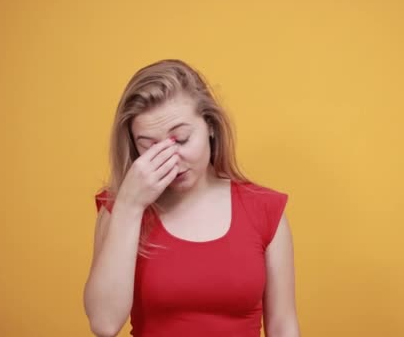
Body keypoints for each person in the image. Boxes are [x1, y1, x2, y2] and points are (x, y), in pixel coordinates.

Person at [83, 59, 300, 337]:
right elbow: (103, 324)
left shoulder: (265, 210)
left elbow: (283, 325)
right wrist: (130, 205)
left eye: (182, 139)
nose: (170, 160)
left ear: (210, 126)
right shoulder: (119, 209)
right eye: (150, 147)